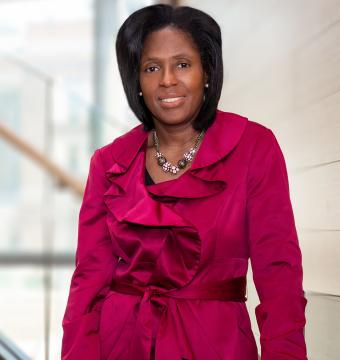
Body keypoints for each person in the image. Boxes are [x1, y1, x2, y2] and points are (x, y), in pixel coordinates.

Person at [61, 4, 307, 360]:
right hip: (122, 343)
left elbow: (280, 277)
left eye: (182, 64)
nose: (167, 80)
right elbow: (88, 282)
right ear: (137, 81)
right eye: (151, 67)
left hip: (216, 344)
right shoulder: (108, 161)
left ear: (207, 71)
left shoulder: (255, 147)